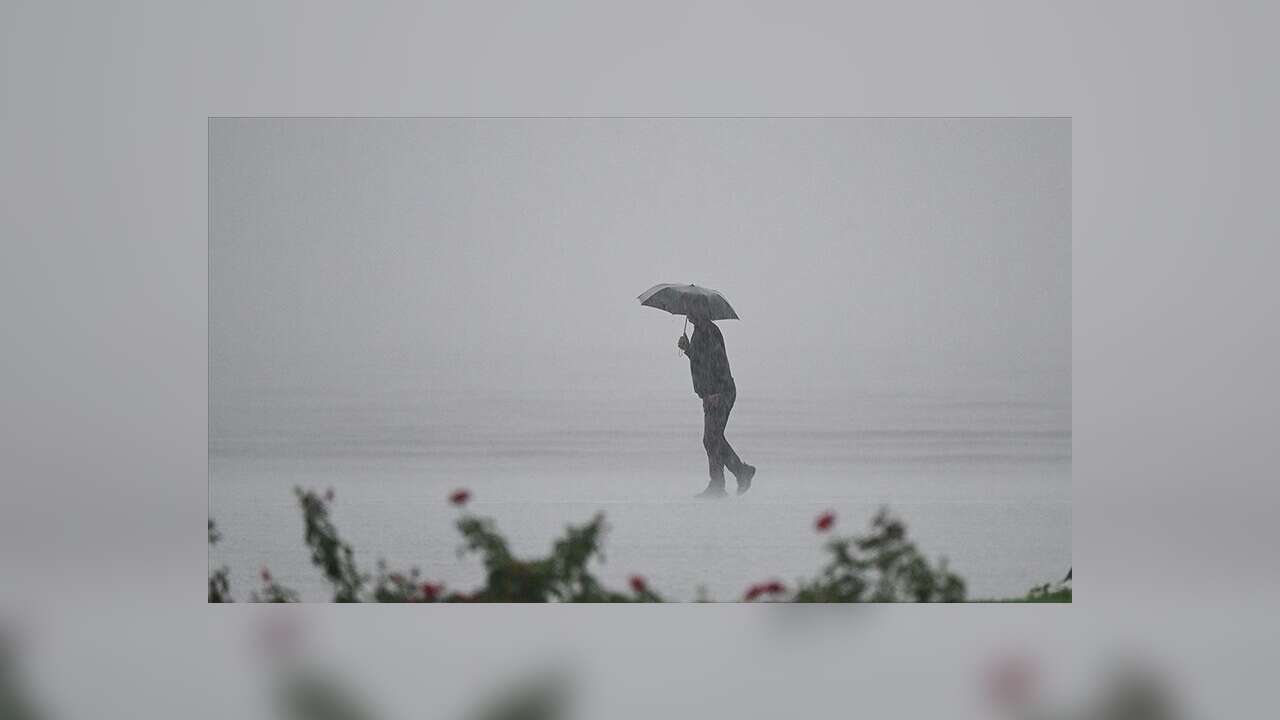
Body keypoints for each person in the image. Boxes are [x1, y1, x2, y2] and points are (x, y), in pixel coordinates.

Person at [677, 314, 756, 497]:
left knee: (712, 438)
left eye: (691, 308)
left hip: (720, 392)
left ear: (700, 309)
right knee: (712, 439)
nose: (688, 313)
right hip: (712, 392)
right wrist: (688, 349)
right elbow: (701, 360)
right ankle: (725, 481)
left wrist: (716, 392)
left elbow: (716, 361)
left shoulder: (709, 331)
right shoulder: (699, 330)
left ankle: (729, 479)